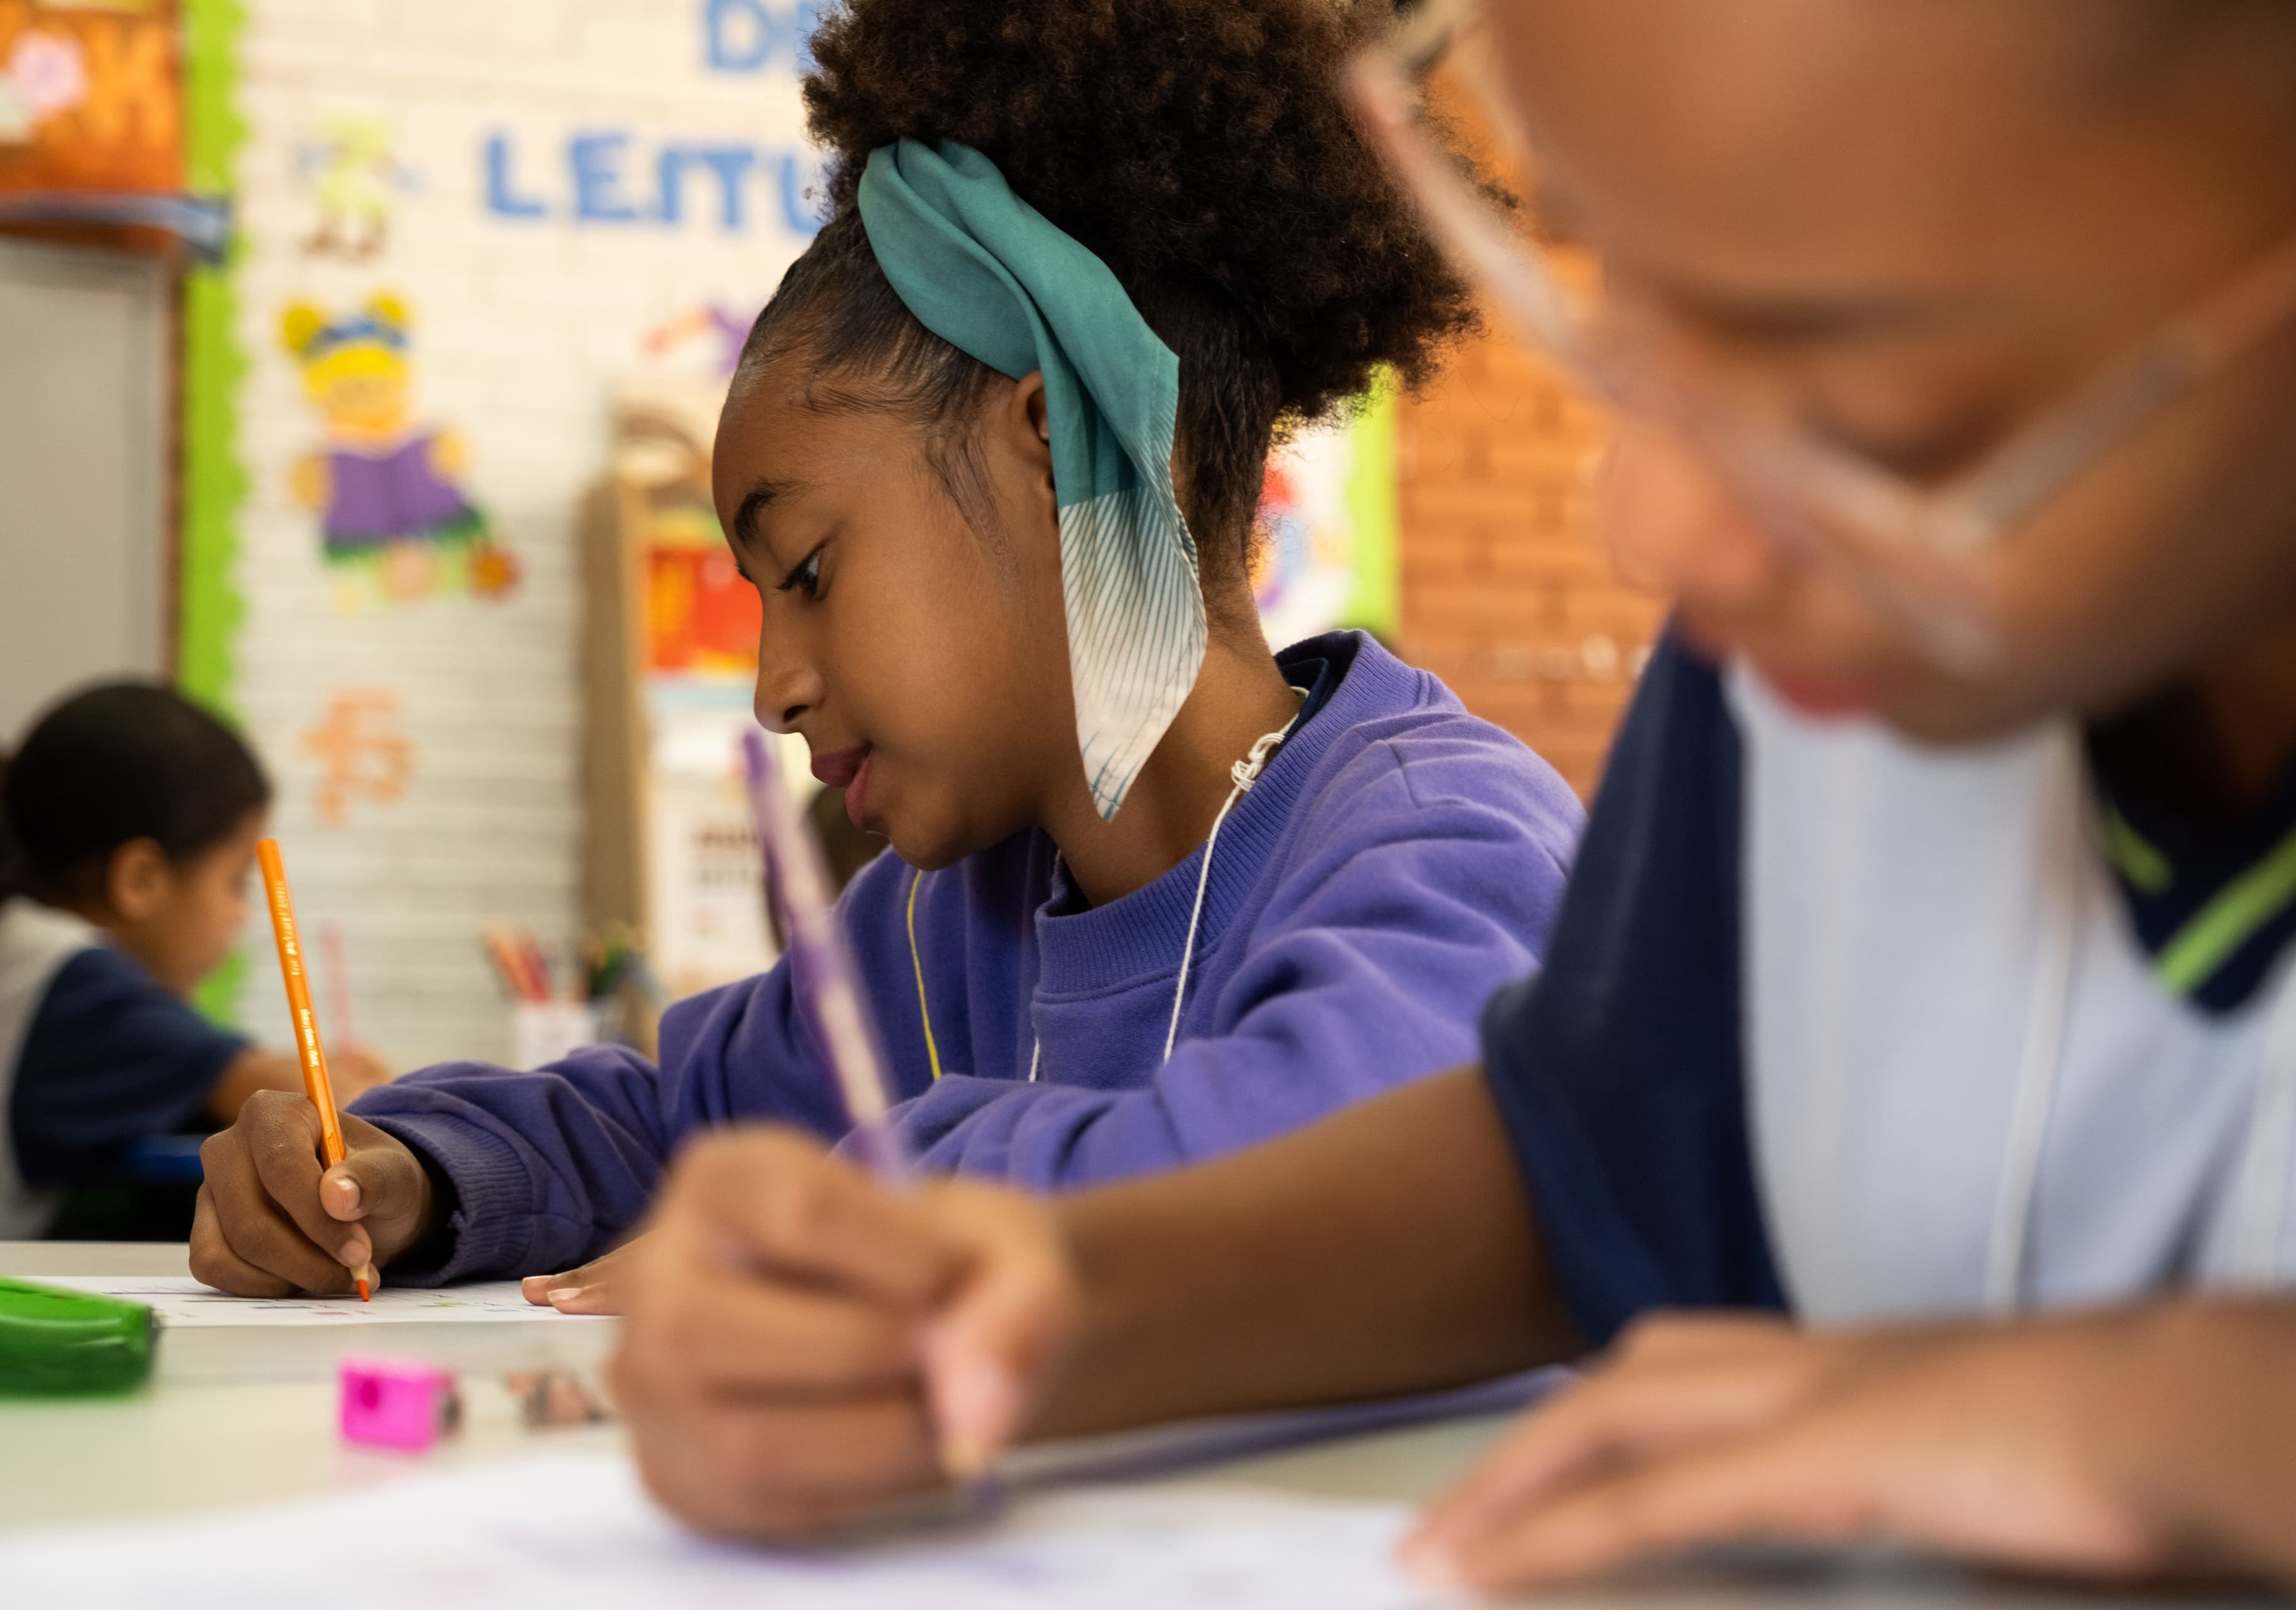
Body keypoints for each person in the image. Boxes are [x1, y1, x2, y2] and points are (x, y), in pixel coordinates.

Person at [585, 1, 2296, 1604]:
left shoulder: (1459, 787)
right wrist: (1058, 1296)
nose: (1657, 533)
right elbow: (1594, 1158)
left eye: (1856, 372)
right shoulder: (1801, 665)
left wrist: (2181, 1413)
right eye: (1619, 300)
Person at [183, 0, 1582, 1304]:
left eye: (807, 570)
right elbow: (670, 1117)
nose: (772, 683)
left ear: (1053, 449)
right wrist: (411, 1174)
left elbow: (1343, 1180)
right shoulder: (946, 920)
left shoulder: (1432, 833)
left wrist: (833, 1196)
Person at [0, 682, 391, 1239]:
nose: (242, 915)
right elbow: (278, 1093)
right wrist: (359, 1083)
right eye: (234, 882)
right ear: (140, 880)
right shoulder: (72, 983)